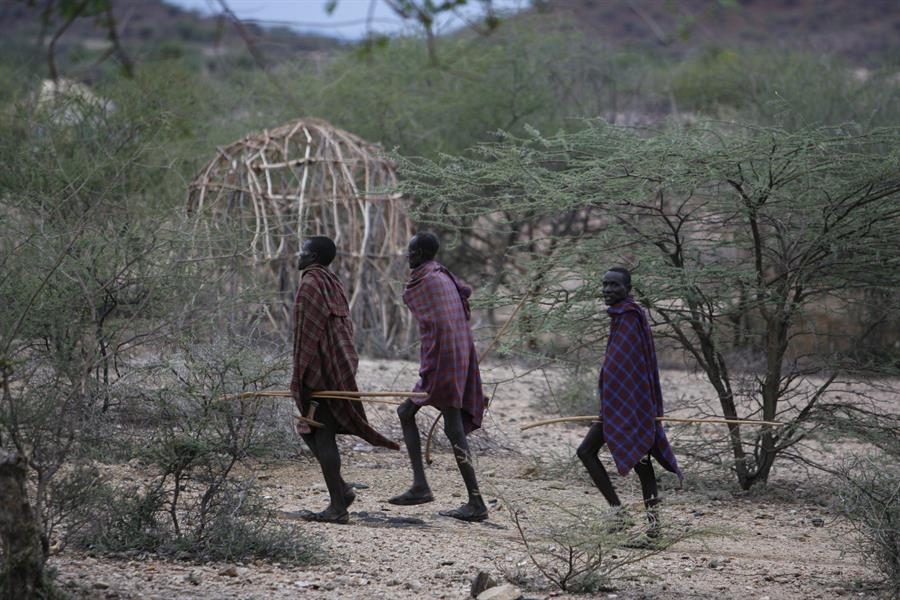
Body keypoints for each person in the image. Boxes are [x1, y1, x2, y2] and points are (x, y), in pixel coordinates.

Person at [290, 236, 399, 524]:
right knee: (308, 430)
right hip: (339, 366)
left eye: (302, 251)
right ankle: (341, 490)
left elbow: (307, 337)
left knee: (321, 434)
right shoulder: (331, 281)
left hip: (322, 372)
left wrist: (303, 378)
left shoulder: (310, 284)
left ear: (312, 256)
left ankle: (338, 507)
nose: (297, 255)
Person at [388, 232, 488, 522]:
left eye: (410, 251)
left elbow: (439, 328)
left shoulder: (429, 280)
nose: (407, 256)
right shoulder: (442, 276)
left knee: (443, 425)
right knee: (419, 416)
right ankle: (425, 486)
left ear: (418, 253)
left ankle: (473, 501)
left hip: (444, 361)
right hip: (457, 358)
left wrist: (430, 369)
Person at [577, 267, 682, 540]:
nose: (608, 290)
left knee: (589, 452)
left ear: (628, 289)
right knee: (641, 460)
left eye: (615, 285)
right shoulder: (625, 316)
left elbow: (619, 369)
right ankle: (650, 526)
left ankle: (622, 514)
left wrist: (610, 409)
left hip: (626, 406)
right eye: (605, 284)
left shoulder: (629, 317)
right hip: (631, 405)